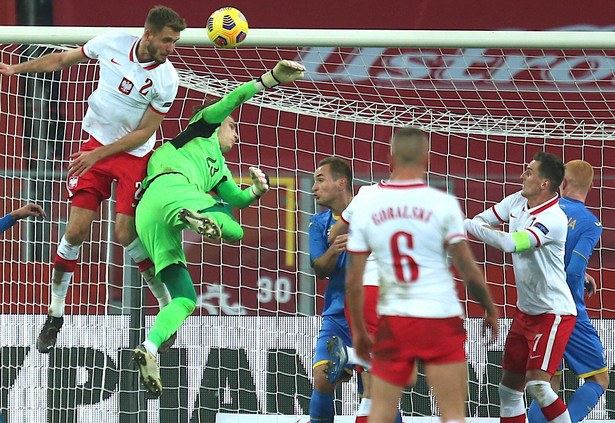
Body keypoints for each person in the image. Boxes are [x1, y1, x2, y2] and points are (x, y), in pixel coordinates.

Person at [0, 6, 187, 353]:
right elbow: (60, 60)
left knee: (124, 233)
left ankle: (164, 305)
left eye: (175, 42)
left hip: (133, 157)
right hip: (94, 145)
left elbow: (145, 131)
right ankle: (55, 313)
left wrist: (98, 155)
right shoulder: (114, 41)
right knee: (74, 232)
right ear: (147, 34)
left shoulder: (167, 79)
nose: (171, 48)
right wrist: (15, 68)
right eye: (166, 40)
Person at [131, 60, 306, 396]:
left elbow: (238, 199)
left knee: (184, 300)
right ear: (218, 121)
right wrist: (268, 80)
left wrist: (258, 189)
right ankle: (194, 220)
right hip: (174, 189)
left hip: (150, 213)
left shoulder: (220, 170)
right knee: (236, 232)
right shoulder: (203, 126)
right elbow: (232, 99)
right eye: (233, 127)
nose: (236, 134)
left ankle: (149, 348)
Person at [345, 126, 499, 423]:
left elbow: (353, 280)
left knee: (379, 412)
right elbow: (467, 269)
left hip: (394, 317)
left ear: (390, 158)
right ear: (427, 159)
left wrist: (360, 333)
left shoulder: (366, 204)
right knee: (453, 415)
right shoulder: (442, 204)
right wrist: (489, 309)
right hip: (439, 315)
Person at [464, 151, 577, 423]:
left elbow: (510, 243)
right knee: (508, 390)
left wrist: (464, 225)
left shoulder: (553, 218)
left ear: (544, 184)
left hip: (553, 314)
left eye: (529, 172)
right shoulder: (517, 201)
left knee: (538, 385)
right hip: (524, 313)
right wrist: (474, 225)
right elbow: (483, 220)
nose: (522, 175)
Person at [528, 160, 609, 423]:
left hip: (536, 307)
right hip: (567, 310)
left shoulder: (544, 211)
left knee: (548, 381)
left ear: (562, 183)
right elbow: (573, 270)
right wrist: (577, 280)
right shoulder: (589, 223)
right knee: (599, 378)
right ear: (591, 186)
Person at [327, 182, 408, 423]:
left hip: (357, 292)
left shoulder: (366, 193)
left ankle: (357, 355)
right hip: (383, 292)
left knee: (372, 393)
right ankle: (353, 355)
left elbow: (334, 234)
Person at [308, 157, 358, 423]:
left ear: (342, 183)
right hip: (337, 316)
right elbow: (319, 268)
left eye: (320, 179)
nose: (314, 187)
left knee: (373, 392)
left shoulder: (370, 213)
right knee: (322, 378)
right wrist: (335, 249)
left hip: (371, 315)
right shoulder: (318, 222)